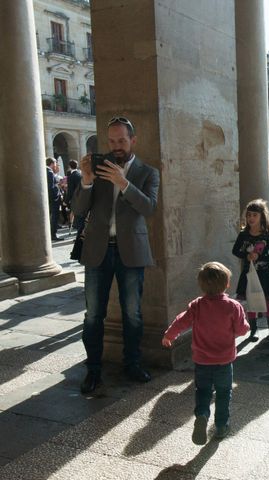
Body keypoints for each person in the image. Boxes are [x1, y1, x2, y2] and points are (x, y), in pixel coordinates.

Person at [72, 116, 160, 394]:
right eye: (112, 140)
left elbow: (148, 208)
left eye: (122, 140)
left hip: (130, 251)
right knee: (93, 315)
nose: (116, 145)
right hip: (97, 250)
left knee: (132, 313)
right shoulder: (97, 169)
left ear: (133, 140)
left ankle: (132, 364)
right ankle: (93, 370)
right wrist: (86, 181)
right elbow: (78, 209)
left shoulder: (148, 172)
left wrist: (124, 183)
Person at [162, 262, 249, 444]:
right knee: (224, 393)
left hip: (202, 361)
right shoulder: (233, 306)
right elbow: (241, 330)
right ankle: (221, 426)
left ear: (201, 285)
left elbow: (181, 322)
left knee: (202, 391)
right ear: (227, 284)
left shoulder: (197, 305)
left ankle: (202, 414)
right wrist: (246, 326)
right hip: (224, 361)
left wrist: (169, 335)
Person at [232, 199, 269, 340]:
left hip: (264, 274)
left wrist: (261, 256)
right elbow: (235, 251)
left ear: (261, 216)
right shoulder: (243, 234)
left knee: (266, 301)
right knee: (251, 302)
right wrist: (247, 256)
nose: (251, 218)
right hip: (248, 274)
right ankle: (253, 330)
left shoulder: (266, 235)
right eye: (249, 215)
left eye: (255, 215)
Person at [65, 159, 84, 233]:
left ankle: (71, 227)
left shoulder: (71, 176)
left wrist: (66, 201)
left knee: (72, 213)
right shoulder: (80, 175)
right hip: (81, 197)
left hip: (75, 198)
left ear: (69, 166)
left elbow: (70, 190)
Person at [46, 157, 62, 241]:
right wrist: (56, 196)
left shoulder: (46, 171)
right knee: (54, 217)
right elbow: (50, 187)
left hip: (50, 200)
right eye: (55, 163)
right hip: (53, 200)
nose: (56, 165)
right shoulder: (49, 172)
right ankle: (53, 235)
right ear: (52, 163)